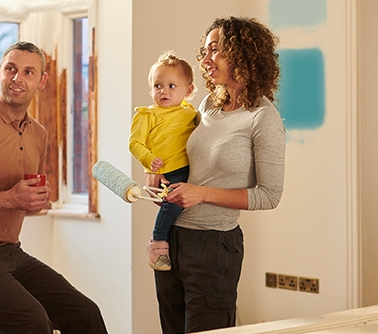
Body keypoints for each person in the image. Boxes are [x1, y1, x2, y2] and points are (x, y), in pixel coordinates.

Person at [0, 41, 108, 334]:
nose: (17, 78)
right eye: (11, 69)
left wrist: (33, 200)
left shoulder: (38, 133)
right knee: (34, 322)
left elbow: (21, 200)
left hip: (9, 251)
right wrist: (10, 198)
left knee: (85, 313)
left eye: (28, 72)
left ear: (41, 82)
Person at [149, 16, 286, 333]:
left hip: (213, 249)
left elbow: (270, 195)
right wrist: (162, 181)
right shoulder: (210, 104)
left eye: (216, 51)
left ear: (243, 54)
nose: (205, 60)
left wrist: (201, 193)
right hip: (172, 237)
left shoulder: (263, 119)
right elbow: (191, 162)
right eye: (205, 51)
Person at [129, 51, 200, 272]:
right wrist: (150, 161)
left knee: (182, 206)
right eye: (158, 86)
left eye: (171, 86)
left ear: (188, 91)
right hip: (168, 172)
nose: (164, 91)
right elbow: (135, 143)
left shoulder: (191, 112)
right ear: (150, 89)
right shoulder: (146, 115)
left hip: (191, 170)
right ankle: (158, 242)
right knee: (172, 205)